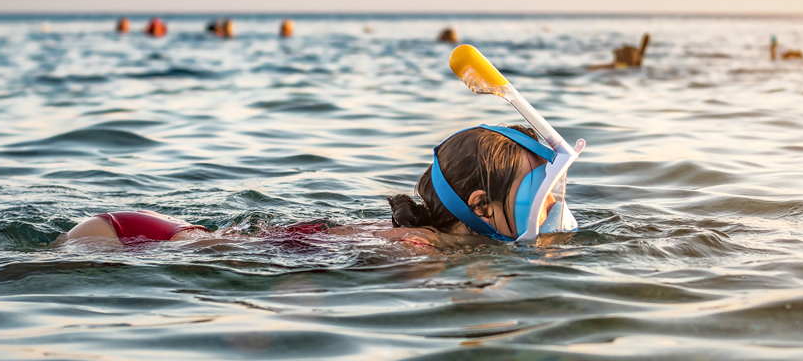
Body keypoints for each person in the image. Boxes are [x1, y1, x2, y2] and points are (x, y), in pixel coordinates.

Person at [63, 124, 573, 249]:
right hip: (137, 239)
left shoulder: (444, 248)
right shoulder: (420, 253)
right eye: (537, 191)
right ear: (481, 206)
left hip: (171, 233)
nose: (550, 204)